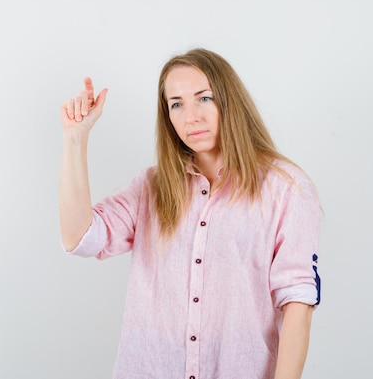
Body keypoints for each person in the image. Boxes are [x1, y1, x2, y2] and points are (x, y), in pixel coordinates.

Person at [59, 48, 321, 379]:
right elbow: (80, 237)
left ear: (230, 101)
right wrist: (74, 140)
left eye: (204, 99)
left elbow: (298, 302)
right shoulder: (152, 187)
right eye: (177, 104)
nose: (190, 116)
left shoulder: (286, 189)